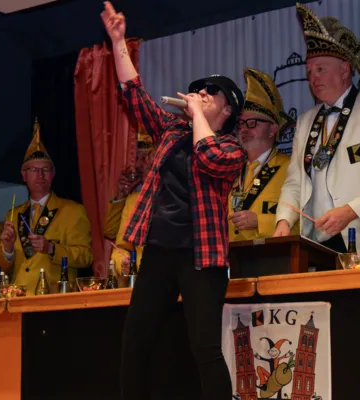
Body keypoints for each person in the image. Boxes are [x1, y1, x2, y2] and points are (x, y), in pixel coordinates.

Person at [101, 2, 247, 399]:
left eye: (211, 92)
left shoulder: (233, 148)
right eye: (198, 90)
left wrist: (197, 115)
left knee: (205, 349)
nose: (201, 94)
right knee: (136, 344)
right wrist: (118, 41)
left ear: (228, 109)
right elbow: (134, 94)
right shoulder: (170, 130)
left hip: (201, 257)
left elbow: (209, 156)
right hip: (159, 251)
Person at [274, 3, 360, 260]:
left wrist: (350, 210)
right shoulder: (305, 121)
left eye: (320, 69)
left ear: (344, 69)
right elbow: (294, 181)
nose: (313, 78)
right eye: (309, 72)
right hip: (316, 244)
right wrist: (283, 221)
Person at [0, 119, 93, 295]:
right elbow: (0, 270)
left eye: (45, 170)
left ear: (53, 174)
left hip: (54, 297)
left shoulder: (72, 210)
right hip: (19, 296)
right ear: (24, 176)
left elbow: (86, 257)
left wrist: (51, 249)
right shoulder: (13, 214)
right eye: (33, 170)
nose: (40, 175)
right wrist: (7, 250)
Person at [229, 67, 299, 241]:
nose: (245, 129)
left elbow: (306, 219)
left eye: (252, 122)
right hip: (231, 254)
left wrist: (260, 221)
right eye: (241, 123)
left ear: (273, 129)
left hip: (273, 253)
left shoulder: (291, 167)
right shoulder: (231, 168)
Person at [110, 141, 157, 275]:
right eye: (146, 165)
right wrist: (122, 263)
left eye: (152, 166)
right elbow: (120, 247)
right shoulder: (134, 200)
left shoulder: (185, 198)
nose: (141, 168)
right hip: (142, 278)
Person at [103, 129, 155, 241]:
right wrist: (121, 196)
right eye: (137, 158)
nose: (138, 165)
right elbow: (110, 232)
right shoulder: (134, 196)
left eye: (143, 160)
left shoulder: (168, 198)